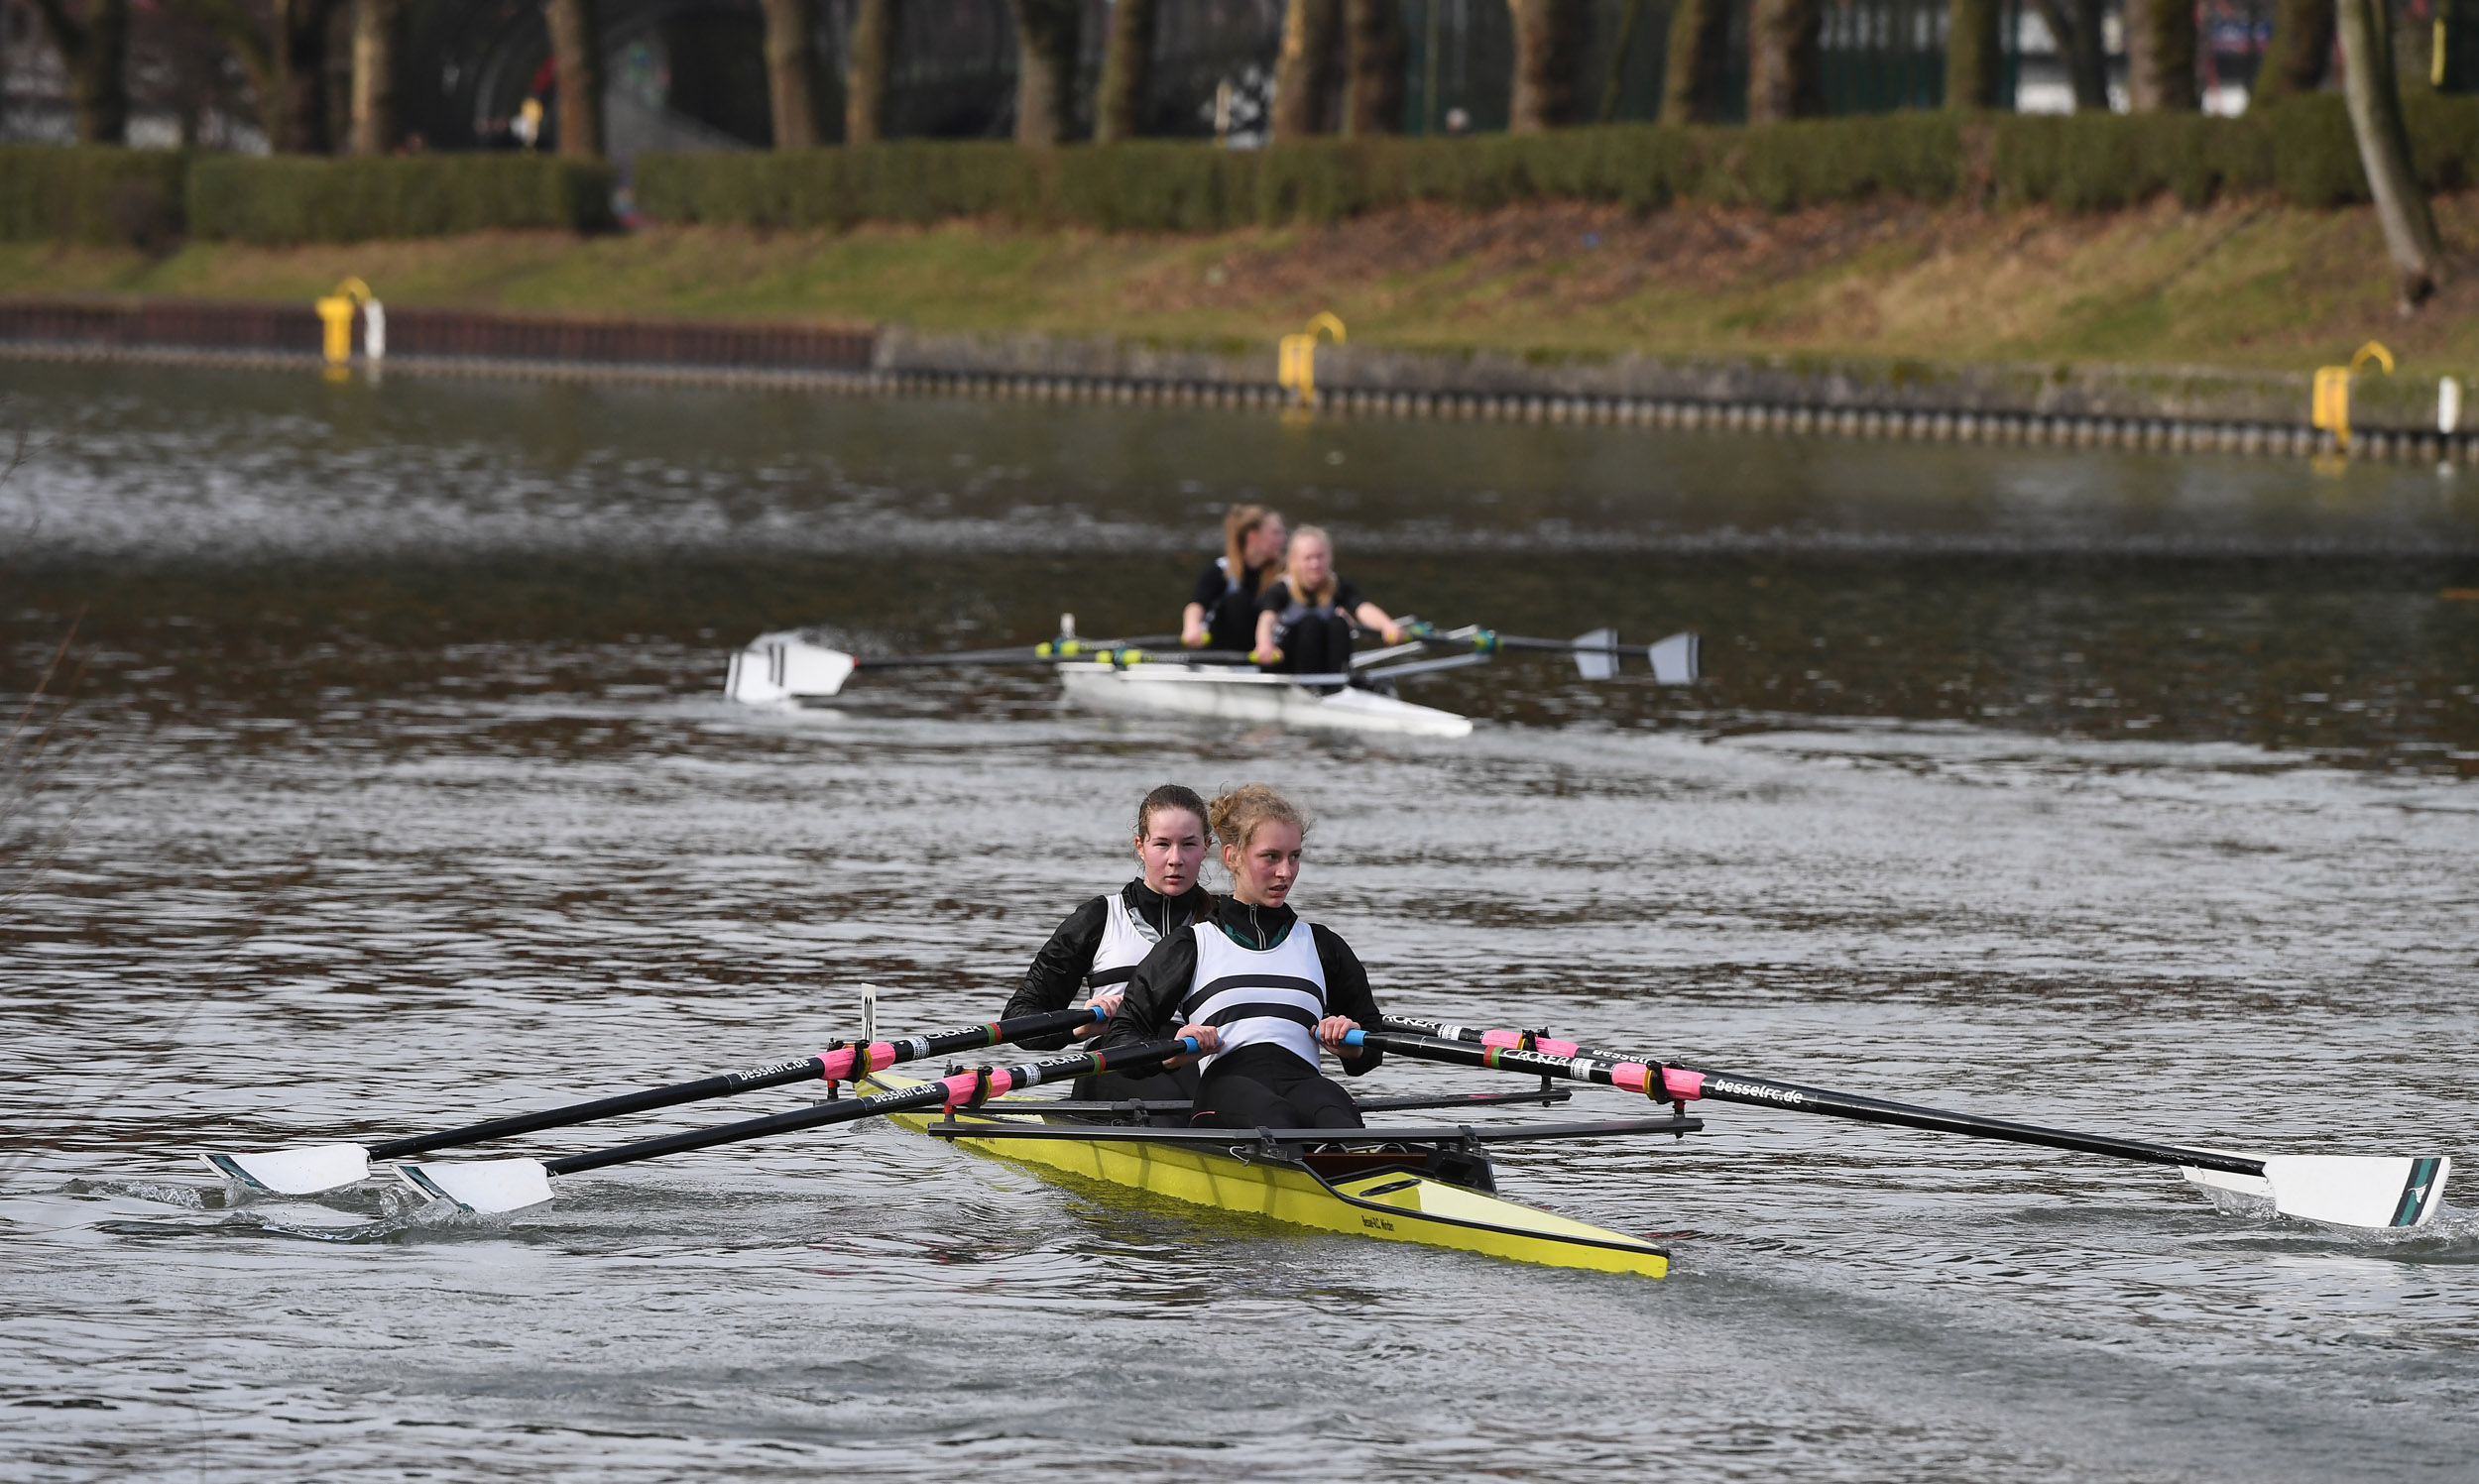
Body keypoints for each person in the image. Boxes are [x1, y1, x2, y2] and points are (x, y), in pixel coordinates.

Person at [1100, 784, 1383, 1130]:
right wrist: (1172, 1053)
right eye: (1271, 857)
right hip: (1227, 1089)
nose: (1286, 872)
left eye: (1294, 856)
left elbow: (1372, 1044)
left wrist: (1350, 1043)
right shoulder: (1191, 945)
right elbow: (1122, 1039)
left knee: (1342, 1121)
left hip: (1304, 1082)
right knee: (1277, 1120)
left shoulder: (1323, 945)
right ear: (1231, 856)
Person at [1001, 784, 1218, 1110]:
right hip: (1116, 1060)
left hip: (1199, 1063)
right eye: (1162, 844)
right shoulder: (1099, 918)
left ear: (1207, 848)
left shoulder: (1225, 923)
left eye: (1188, 845)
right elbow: (1019, 1019)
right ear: (1140, 847)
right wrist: (1079, 1026)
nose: (1176, 859)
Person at [1250, 525, 1403, 687]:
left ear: (1329, 557)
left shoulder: (1337, 585)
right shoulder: (1280, 589)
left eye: (1320, 556)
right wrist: (1264, 645)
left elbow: (1363, 608)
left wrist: (1387, 625)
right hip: (1282, 664)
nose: (1315, 564)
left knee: (1338, 623)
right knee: (1311, 623)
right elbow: (1266, 618)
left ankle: (1336, 685)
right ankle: (1311, 687)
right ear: (1293, 561)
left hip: (1318, 664)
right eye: (1308, 558)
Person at [1182, 505, 1286, 652]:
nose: (1283, 539)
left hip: (1265, 653)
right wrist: (1192, 627)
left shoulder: (1284, 574)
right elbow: (1196, 605)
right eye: (1276, 533)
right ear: (1253, 536)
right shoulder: (1222, 571)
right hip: (1223, 651)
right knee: (1238, 601)